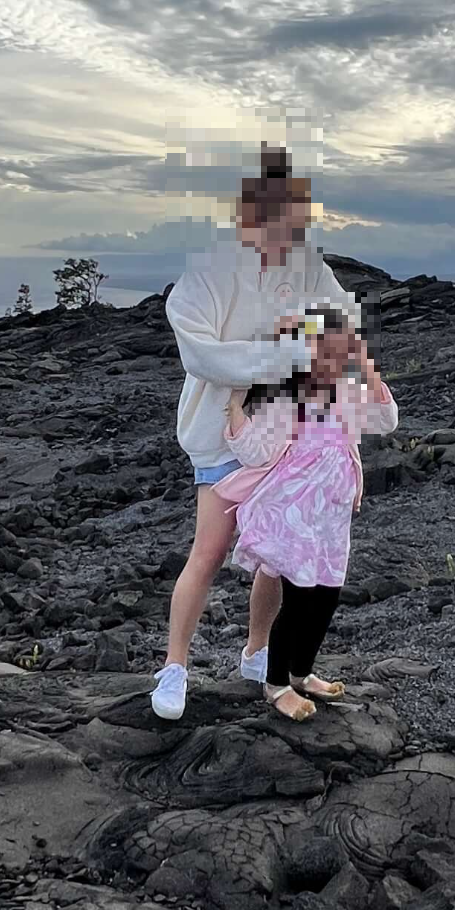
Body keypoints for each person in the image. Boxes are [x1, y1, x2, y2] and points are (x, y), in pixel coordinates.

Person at [150, 146, 355, 720]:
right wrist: (288, 352)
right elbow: (203, 355)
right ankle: (175, 667)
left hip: (285, 438)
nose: (284, 237)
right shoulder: (208, 275)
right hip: (221, 439)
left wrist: (309, 342)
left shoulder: (306, 264)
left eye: (294, 223)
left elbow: (339, 316)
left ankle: (258, 655)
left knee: (278, 557)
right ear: (245, 218)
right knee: (211, 550)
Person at [228, 308, 397, 719]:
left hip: (333, 517)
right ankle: (276, 683)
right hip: (296, 511)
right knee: (300, 596)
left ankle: (301, 672)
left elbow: (387, 420)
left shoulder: (350, 391)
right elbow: (256, 449)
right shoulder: (291, 396)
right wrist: (234, 403)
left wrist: (367, 368)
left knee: (326, 595)